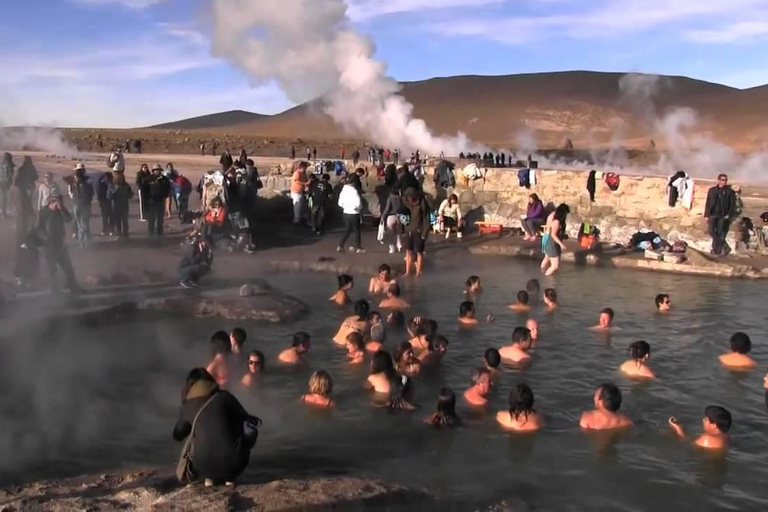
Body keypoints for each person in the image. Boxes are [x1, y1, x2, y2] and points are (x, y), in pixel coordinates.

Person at [173, 368, 260, 487]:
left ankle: (209, 480)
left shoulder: (188, 405)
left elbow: (178, 435)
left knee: (198, 435)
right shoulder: (225, 397)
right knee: (246, 428)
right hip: (234, 463)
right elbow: (248, 421)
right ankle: (230, 479)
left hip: (201, 466)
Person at [36, 194, 79, 294]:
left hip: (60, 243)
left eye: (61, 203)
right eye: (57, 204)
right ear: (51, 202)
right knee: (51, 268)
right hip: (49, 245)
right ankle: (54, 290)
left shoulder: (60, 210)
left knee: (67, 266)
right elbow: (38, 229)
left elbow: (68, 219)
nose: (58, 206)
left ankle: (73, 287)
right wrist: (45, 237)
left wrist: (61, 208)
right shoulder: (43, 212)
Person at [704, 173, 737, 256]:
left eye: (725, 180)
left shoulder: (729, 192)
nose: (724, 182)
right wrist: (706, 215)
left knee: (719, 232)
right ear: (718, 180)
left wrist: (728, 214)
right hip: (712, 214)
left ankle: (716, 251)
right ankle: (724, 246)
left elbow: (732, 204)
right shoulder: (712, 190)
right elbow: (708, 203)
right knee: (711, 231)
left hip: (722, 215)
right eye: (722, 180)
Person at [403, 188, 431, 276]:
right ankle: (407, 272)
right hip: (408, 230)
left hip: (419, 230)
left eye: (410, 197)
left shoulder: (422, 203)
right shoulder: (406, 202)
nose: (409, 199)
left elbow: (427, 219)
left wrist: (425, 232)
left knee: (419, 252)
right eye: (407, 197)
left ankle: (418, 272)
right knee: (408, 251)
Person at [68, 164, 94, 247]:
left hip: (84, 204)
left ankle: (86, 239)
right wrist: (74, 198)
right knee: (79, 224)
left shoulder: (86, 183)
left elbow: (91, 193)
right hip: (77, 204)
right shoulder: (73, 183)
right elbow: (70, 191)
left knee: (84, 224)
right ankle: (82, 240)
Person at [337, 176, 364, 253]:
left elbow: (340, 203)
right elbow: (358, 202)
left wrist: (346, 207)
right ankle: (358, 247)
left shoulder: (343, 191)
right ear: (353, 183)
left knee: (347, 229)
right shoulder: (354, 191)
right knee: (357, 230)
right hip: (354, 213)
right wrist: (358, 208)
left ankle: (340, 245)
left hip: (346, 212)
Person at [541, 203, 569, 276]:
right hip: (551, 242)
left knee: (547, 258)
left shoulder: (556, 219)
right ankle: (546, 277)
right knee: (555, 266)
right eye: (566, 214)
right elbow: (553, 234)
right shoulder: (556, 221)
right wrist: (561, 244)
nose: (566, 216)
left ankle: (542, 272)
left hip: (549, 240)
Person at [147, 164, 171, 236]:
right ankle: (150, 233)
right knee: (151, 218)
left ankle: (160, 233)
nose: (158, 171)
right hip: (151, 200)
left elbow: (168, 188)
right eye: (156, 170)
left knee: (160, 218)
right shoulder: (149, 179)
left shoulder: (164, 179)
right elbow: (144, 188)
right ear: (153, 171)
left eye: (159, 170)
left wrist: (165, 195)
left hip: (161, 200)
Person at [109, 173, 133, 240]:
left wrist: (126, 195)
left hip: (124, 205)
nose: (120, 180)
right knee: (118, 221)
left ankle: (126, 234)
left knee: (124, 220)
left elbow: (131, 195)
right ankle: (119, 234)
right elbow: (109, 196)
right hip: (116, 206)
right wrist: (115, 191)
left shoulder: (126, 185)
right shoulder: (112, 185)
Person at [97, 171, 115, 236]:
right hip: (105, 201)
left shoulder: (111, 184)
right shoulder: (102, 184)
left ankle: (110, 230)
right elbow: (99, 194)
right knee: (105, 217)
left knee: (110, 216)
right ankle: (105, 230)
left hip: (109, 201)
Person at [1, 152, 15, 218]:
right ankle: (4, 213)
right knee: (5, 197)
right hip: (5, 182)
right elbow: (10, 175)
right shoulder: (9, 165)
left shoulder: (2, 164)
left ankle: (3, 212)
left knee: (3, 197)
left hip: (2, 181)